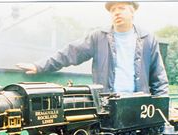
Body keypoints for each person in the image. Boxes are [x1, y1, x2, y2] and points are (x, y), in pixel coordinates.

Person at [16, 1, 169, 96]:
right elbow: (70, 52)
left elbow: (159, 78)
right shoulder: (98, 36)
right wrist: (39, 66)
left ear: (133, 11)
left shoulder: (148, 38)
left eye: (121, 7)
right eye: (112, 9)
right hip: (108, 104)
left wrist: (161, 109)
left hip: (139, 105)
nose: (116, 12)